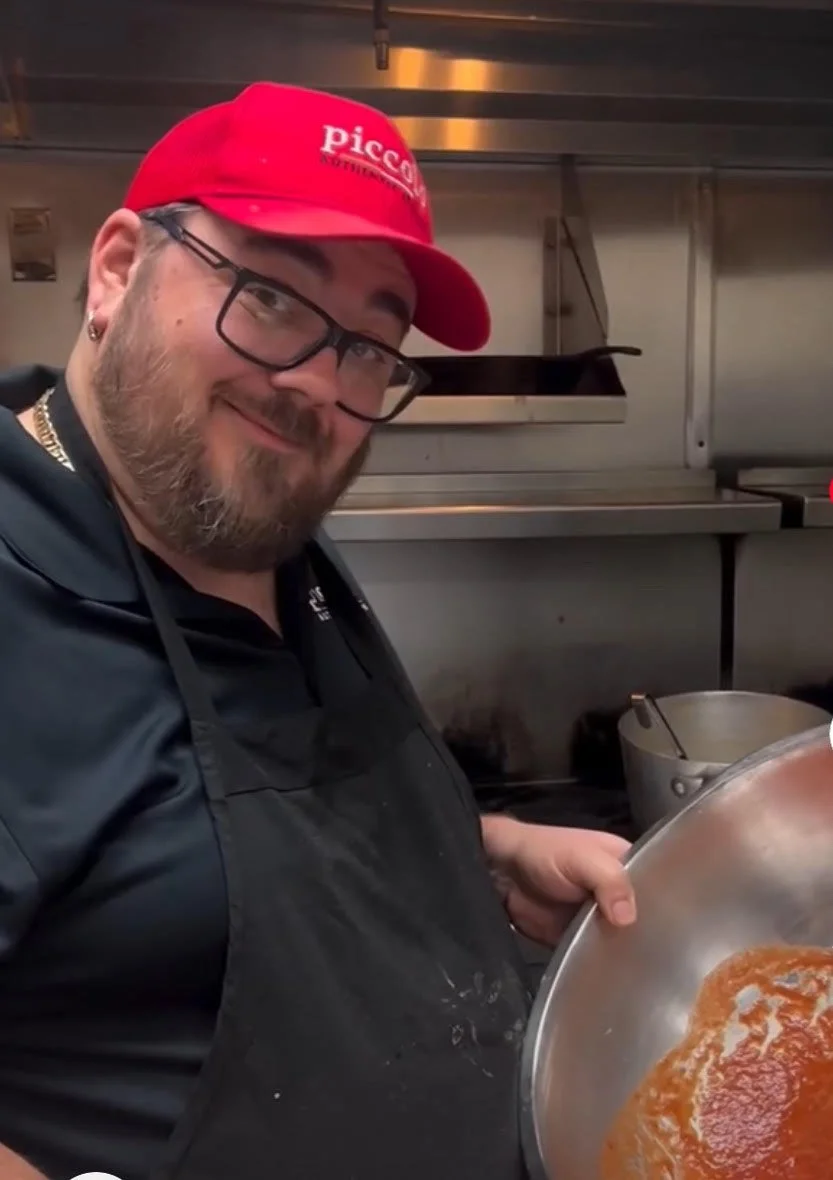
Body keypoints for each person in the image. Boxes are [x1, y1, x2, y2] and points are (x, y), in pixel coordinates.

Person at [0, 82, 636, 1180]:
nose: (311, 387)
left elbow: (195, 846)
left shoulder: (238, 516)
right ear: (116, 270)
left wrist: (484, 856)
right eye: (270, 297)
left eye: (365, 349)